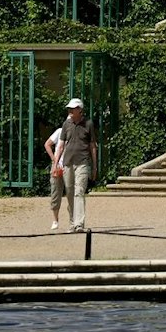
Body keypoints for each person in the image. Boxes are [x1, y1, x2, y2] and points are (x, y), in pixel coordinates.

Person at [44, 97, 98, 233]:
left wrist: (95, 166)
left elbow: (92, 146)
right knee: (70, 193)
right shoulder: (66, 125)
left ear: (79, 110)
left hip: (83, 162)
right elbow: (61, 145)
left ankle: (79, 223)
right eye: (69, 109)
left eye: (72, 109)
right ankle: (73, 223)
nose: (70, 111)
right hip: (67, 164)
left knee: (79, 191)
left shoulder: (88, 124)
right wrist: (56, 163)